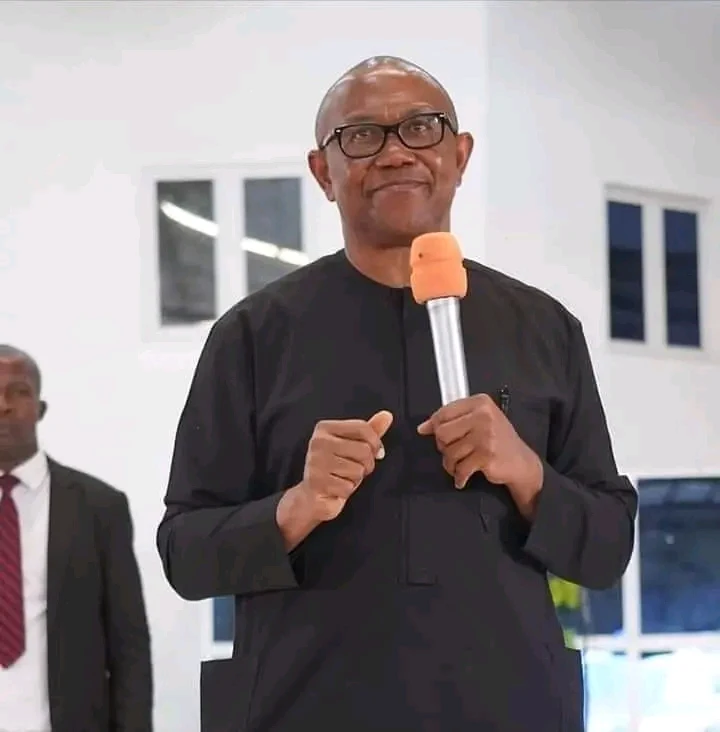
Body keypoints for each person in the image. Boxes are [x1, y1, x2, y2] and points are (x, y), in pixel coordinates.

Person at [157, 56, 638, 732]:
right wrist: (297, 507)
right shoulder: (253, 336)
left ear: (460, 155)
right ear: (323, 172)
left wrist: (526, 471)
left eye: (420, 127)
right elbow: (185, 554)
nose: (395, 153)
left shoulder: (545, 328)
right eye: (361, 136)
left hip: (508, 705)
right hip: (305, 707)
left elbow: (608, 546)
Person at [0, 344, 153, 732]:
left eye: (18, 392)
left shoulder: (98, 507)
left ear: (40, 408)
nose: (3, 406)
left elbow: (129, 648)